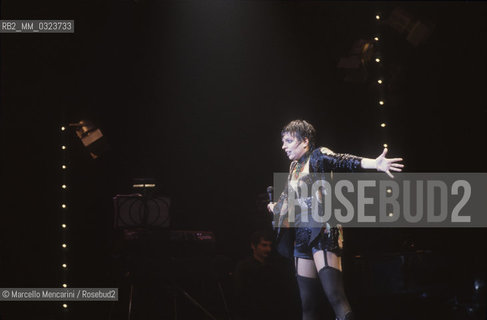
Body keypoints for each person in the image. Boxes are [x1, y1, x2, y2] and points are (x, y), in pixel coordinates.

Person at [267, 120, 404, 320]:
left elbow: (344, 160)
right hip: (302, 234)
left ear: (305, 141)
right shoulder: (294, 166)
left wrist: (375, 163)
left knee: (335, 295)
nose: (283, 146)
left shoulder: (318, 155)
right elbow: (289, 196)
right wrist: (276, 208)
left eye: (288, 141)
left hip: (322, 228)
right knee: (307, 303)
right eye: (283, 141)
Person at [233, 230, 300, 320]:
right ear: (253, 246)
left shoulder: (276, 267)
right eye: (264, 245)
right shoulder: (244, 267)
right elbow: (240, 296)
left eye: (270, 245)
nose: (268, 249)